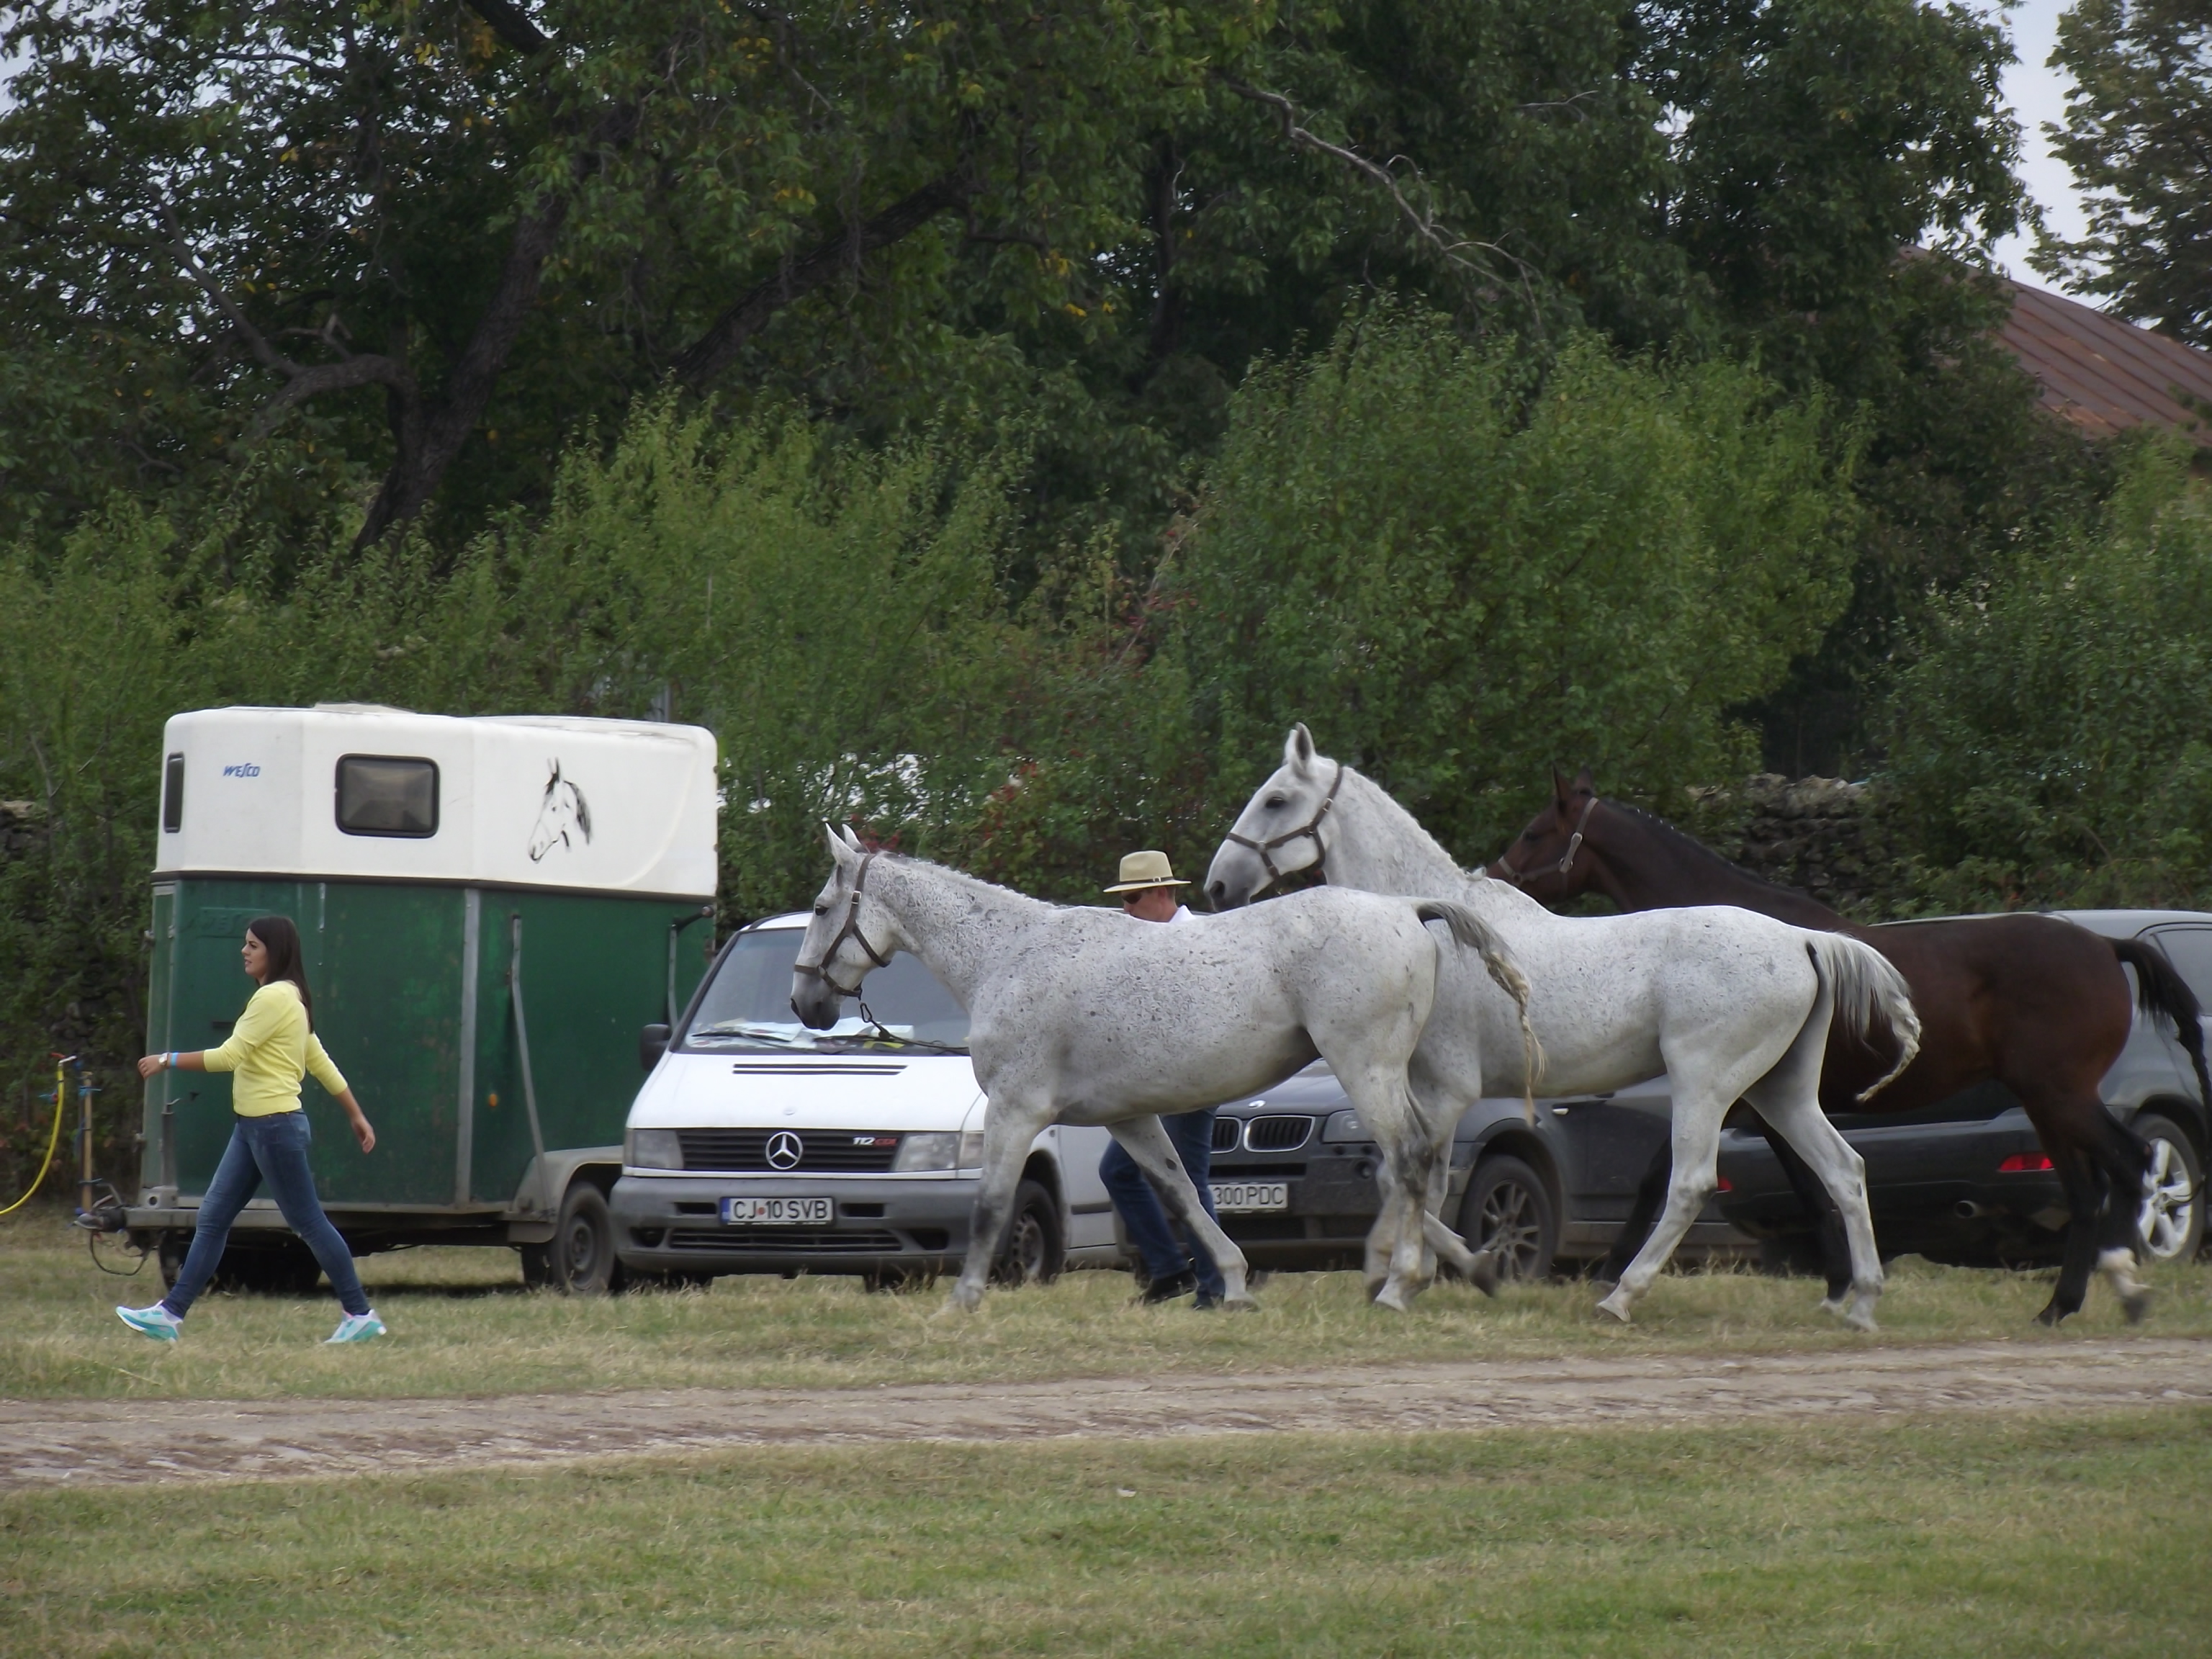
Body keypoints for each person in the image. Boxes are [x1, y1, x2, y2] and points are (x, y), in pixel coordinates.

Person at [117, 915, 386, 1344]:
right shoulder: (289, 1000)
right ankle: (170, 1315)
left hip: (273, 1127)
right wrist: (356, 1115)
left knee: (309, 1222)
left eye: (253, 945)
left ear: (274, 952)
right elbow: (319, 1060)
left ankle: (359, 1313)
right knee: (213, 1218)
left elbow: (229, 1056)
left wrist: (167, 1059)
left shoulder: (274, 1000)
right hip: (255, 1127)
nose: (244, 951)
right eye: (245, 944)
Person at [1099, 850, 1228, 1308]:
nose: (1126, 910)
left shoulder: (1196, 941)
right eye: (1123, 901)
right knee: (1117, 1171)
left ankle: (1217, 1285)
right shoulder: (1142, 943)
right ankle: (1171, 1271)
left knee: (1188, 1179)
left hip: (1195, 1077)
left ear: (1160, 894)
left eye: (1132, 899)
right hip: (1153, 1080)